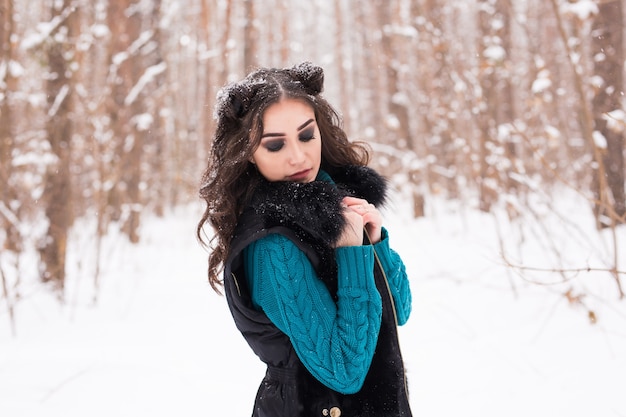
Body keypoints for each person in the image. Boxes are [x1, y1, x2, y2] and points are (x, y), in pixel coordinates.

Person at [197, 61, 413, 417]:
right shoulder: (273, 245)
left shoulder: (334, 205)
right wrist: (351, 255)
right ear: (248, 154)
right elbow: (343, 370)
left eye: (306, 135)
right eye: (274, 145)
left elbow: (400, 311)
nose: (298, 156)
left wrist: (374, 243)